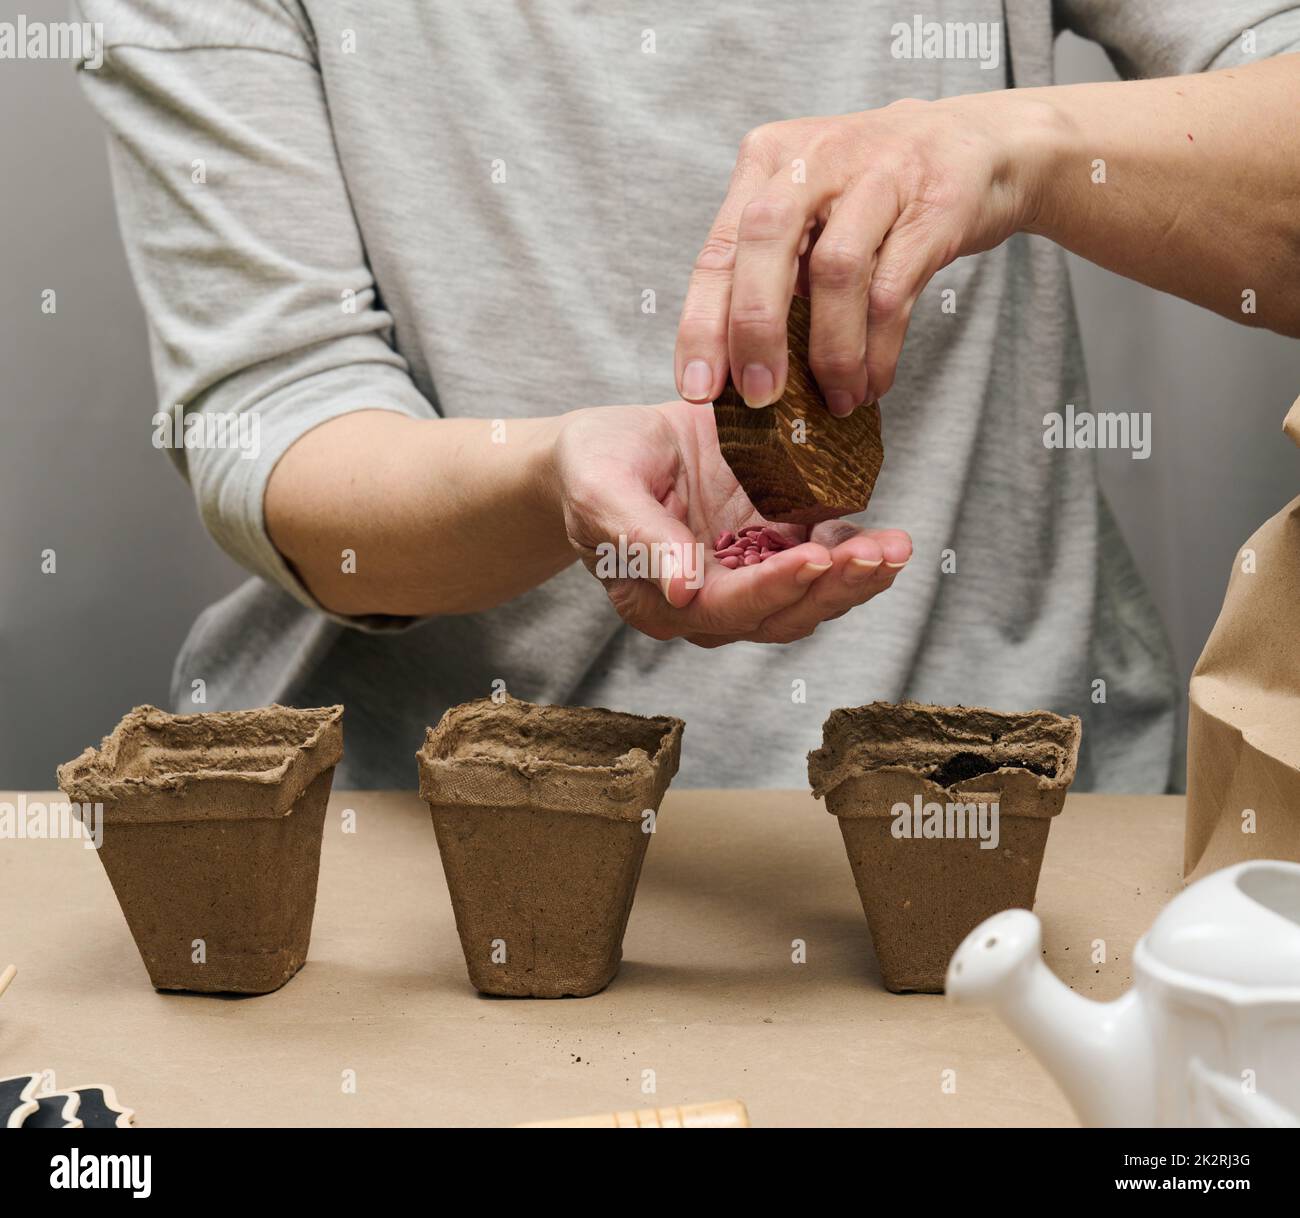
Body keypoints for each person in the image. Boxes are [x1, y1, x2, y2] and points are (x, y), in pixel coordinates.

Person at [75, 2, 1300, 789]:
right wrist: (549, 480)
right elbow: (280, 420)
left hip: (1007, 822)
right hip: (431, 857)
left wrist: (1018, 145)